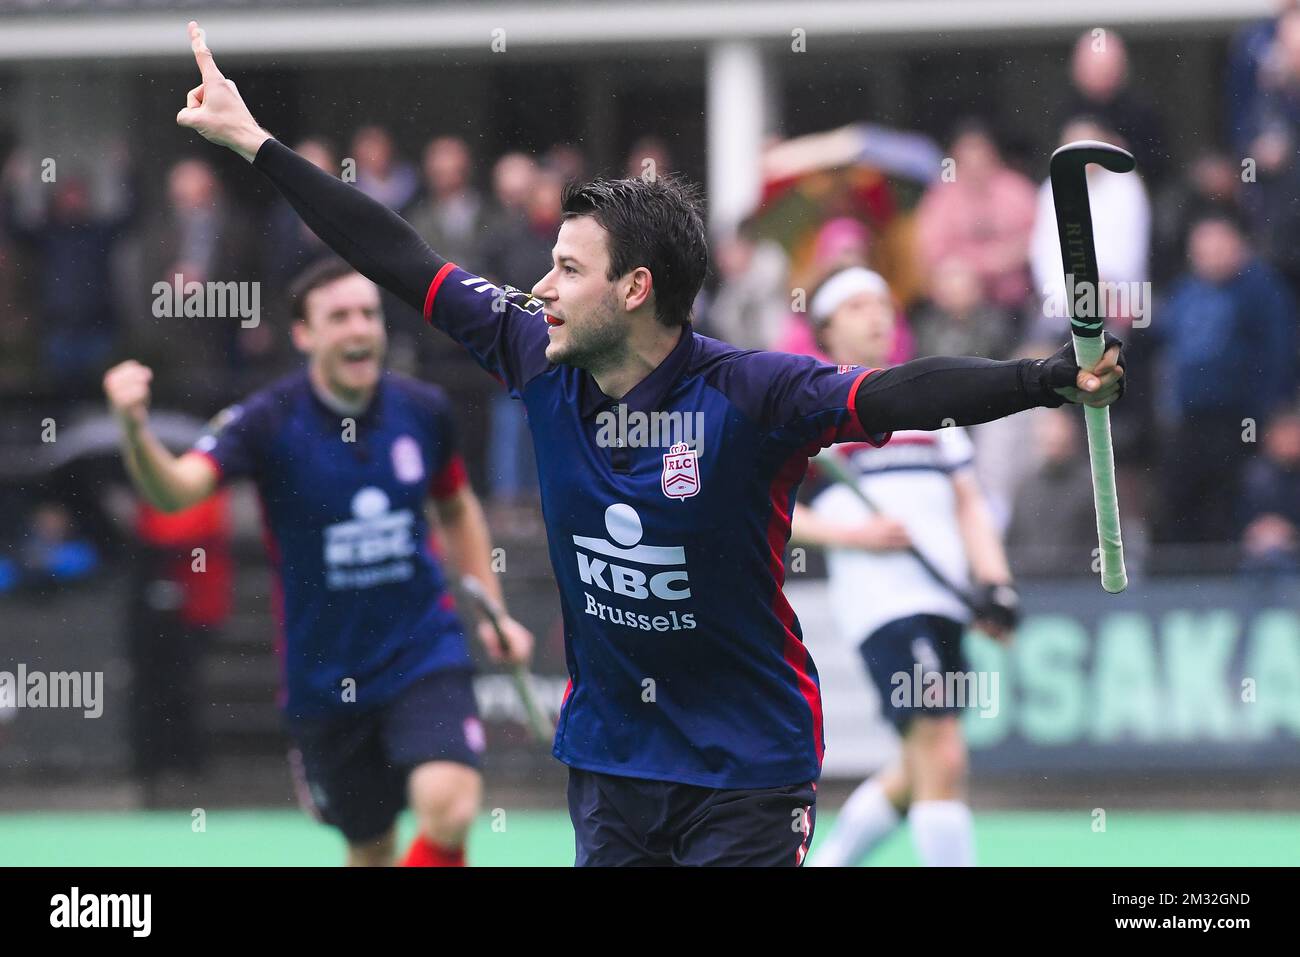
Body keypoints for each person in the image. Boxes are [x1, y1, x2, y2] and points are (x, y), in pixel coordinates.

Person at [175, 20, 1124, 866]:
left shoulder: (755, 393)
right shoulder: (531, 348)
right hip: (611, 761)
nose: (539, 285)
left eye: (567, 268)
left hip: (748, 764)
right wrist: (256, 144)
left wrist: (1045, 378)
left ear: (634, 289)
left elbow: (901, 393)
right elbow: (394, 252)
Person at [103, 256, 534, 866]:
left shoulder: (424, 409)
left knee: (450, 802)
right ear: (304, 335)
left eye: (367, 314)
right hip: (325, 677)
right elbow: (174, 489)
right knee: (371, 847)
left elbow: (457, 508)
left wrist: (492, 609)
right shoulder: (265, 422)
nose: (359, 329)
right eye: (339, 317)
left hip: (423, 650)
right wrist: (133, 430)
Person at [788, 269, 1019, 867]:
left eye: (882, 304)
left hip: (944, 604)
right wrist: (854, 535)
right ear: (826, 329)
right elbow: (773, 514)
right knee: (942, 753)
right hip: (883, 607)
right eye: (856, 306)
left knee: (920, 767)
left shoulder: (929, 409)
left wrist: (995, 585)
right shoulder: (810, 408)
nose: (876, 316)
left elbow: (969, 503)